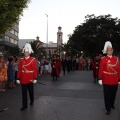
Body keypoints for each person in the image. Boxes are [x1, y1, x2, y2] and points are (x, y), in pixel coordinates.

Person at [98, 41, 120, 115]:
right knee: (107, 95)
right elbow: (101, 69)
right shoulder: (103, 59)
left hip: (114, 79)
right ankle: (108, 108)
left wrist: (119, 79)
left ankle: (111, 104)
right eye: (108, 50)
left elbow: (119, 69)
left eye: (111, 50)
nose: (110, 51)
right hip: (106, 79)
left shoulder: (116, 59)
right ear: (106, 51)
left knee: (113, 94)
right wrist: (100, 78)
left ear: (112, 51)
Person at [17, 43, 38, 111]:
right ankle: (24, 105)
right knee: (24, 93)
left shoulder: (33, 60)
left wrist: (35, 78)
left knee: (31, 91)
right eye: (25, 52)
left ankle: (32, 100)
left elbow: (34, 69)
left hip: (30, 79)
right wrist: (18, 78)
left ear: (29, 53)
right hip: (23, 78)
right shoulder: (21, 60)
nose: (25, 53)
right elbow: (20, 69)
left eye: (27, 52)